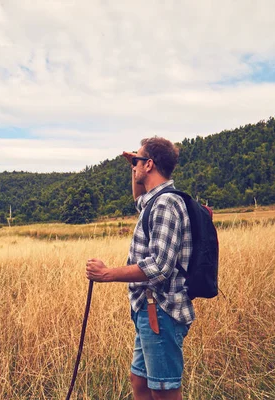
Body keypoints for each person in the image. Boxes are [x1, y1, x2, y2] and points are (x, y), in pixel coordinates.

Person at [86, 136, 193, 400]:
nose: (133, 165)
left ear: (150, 165)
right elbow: (139, 201)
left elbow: (159, 267)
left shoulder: (167, 204)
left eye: (138, 161)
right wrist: (133, 166)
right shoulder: (153, 201)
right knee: (141, 382)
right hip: (148, 309)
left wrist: (107, 274)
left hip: (161, 310)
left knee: (164, 390)